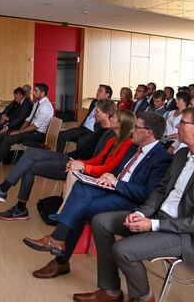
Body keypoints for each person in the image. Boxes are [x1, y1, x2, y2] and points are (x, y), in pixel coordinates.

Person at [22, 112, 172, 279]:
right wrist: (106, 178)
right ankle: (58, 248)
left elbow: (147, 194)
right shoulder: (133, 148)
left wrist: (116, 183)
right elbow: (116, 170)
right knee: (79, 188)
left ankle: (60, 255)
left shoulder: (162, 158)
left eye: (137, 127)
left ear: (149, 132)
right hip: (113, 189)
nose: (132, 130)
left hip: (129, 201)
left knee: (80, 209)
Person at [73, 107, 194, 302]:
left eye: (184, 123)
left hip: (183, 234)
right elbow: (160, 191)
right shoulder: (181, 156)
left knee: (123, 250)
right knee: (101, 221)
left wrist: (152, 224)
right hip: (158, 217)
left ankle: (143, 297)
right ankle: (110, 291)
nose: (177, 125)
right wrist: (141, 213)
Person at [0, 100, 118, 220]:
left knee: (30, 166)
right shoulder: (99, 128)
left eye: (97, 112)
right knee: (31, 153)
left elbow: (98, 160)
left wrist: (79, 164)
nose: (94, 113)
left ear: (107, 115)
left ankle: (14, 202)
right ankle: (4, 190)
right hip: (70, 157)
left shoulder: (109, 134)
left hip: (74, 165)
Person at [57, 109, 136, 214]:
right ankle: (64, 210)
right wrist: (79, 163)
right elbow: (99, 159)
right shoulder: (113, 140)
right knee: (72, 171)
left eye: (114, 117)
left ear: (120, 124)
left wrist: (83, 167)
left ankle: (63, 211)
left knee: (72, 174)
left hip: (106, 178)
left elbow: (110, 168)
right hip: (100, 172)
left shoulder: (127, 144)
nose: (111, 118)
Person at [0, 83, 53, 171]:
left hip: (37, 135)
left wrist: (19, 132)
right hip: (30, 131)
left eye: (36, 91)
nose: (33, 93)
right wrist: (20, 130)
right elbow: (28, 119)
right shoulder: (37, 104)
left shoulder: (45, 107)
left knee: (8, 139)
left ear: (42, 93)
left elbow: (35, 126)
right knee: (2, 135)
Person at [57, 85, 113, 153]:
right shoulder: (94, 102)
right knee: (62, 135)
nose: (97, 92)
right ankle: (58, 156)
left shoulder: (109, 106)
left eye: (100, 91)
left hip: (93, 131)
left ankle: (76, 161)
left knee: (81, 142)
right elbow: (88, 116)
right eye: (97, 90)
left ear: (107, 94)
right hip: (83, 128)